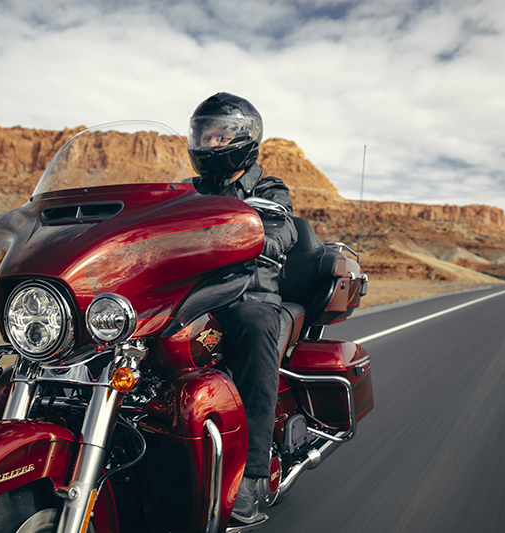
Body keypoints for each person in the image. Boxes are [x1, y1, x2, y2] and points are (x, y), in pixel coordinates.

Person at [187, 92, 298, 525]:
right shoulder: (190, 190)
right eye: (205, 134)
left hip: (250, 295)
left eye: (220, 135)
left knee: (253, 328)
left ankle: (250, 478)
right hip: (195, 295)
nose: (211, 143)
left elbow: (281, 229)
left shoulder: (267, 188)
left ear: (244, 139)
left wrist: (258, 237)